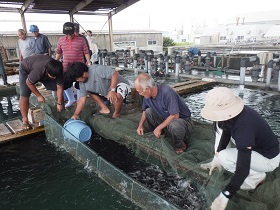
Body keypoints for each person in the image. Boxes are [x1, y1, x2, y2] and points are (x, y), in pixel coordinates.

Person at [200, 87, 280, 210]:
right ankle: (252, 172)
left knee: (225, 157)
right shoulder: (234, 116)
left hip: (268, 159)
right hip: (257, 148)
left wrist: (225, 195)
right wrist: (216, 157)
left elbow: (243, 169)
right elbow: (225, 132)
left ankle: (256, 177)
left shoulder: (243, 128)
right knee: (221, 151)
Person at [134, 73, 194, 154]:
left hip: (182, 121)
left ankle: (180, 144)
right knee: (148, 112)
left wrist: (159, 127)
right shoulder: (147, 96)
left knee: (175, 125)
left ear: (148, 89)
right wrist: (140, 125)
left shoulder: (167, 92)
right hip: (165, 118)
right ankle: (161, 133)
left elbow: (175, 115)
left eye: (139, 91)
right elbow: (144, 111)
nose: (139, 94)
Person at [66, 62, 131, 119]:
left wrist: (112, 90)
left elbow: (114, 73)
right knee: (89, 92)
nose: (77, 80)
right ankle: (104, 108)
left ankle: (116, 113)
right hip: (106, 93)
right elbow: (82, 100)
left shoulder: (97, 69)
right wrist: (75, 114)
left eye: (77, 78)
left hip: (120, 84)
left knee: (117, 96)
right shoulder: (82, 84)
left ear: (84, 74)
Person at [19, 54, 64, 129]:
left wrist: (59, 103)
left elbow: (60, 88)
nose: (54, 78)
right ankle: (25, 120)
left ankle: (61, 113)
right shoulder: (39, 71)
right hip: (26, 68)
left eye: (55, 76)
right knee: (25, 94)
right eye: (52, 76)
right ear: (47, 71)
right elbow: (29, 82)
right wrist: (39, 95)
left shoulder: (58, 70)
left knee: (56, 88)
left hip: (45, 69)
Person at [56, 22, 91, 108]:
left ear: (74, 31)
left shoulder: (81, 40)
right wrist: (55, 61)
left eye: (71, 33)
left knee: (80, 83)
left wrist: (89, 62)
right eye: (67, 34)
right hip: (66, 66)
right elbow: (59, 52)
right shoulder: (61, 40)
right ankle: (71, 99)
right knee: (66, 84)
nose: (69, 35)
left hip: (79, 66)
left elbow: (86, 52)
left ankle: (80, 101)